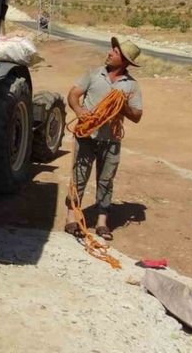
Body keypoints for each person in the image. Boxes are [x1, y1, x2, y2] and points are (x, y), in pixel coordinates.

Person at [64, 37, 143, 241]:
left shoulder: (131, 86)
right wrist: (80, 111)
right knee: (79, 176)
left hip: (111, 140)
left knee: (106, 181)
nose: (109, 53)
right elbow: (73, 95)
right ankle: (71, 217)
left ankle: (101, 223)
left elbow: (137, 116)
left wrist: (121, 104)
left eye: (115, 52)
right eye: (112, 50)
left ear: (124, 60)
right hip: (87, 135)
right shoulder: (93, 74)